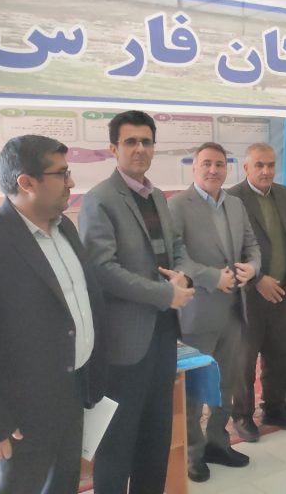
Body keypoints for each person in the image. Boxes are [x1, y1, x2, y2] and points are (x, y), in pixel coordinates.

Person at [0, 135, 106, 494]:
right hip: (17, 417)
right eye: (61, 174)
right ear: (27, 182)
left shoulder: (65, 229)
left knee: (63, 486)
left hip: (71, 396)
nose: (71, 182)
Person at [79, 110, 197, 494]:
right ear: (113, 148)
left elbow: (175, 248)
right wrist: (165, 293)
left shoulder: (157, 196)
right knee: (117, 443)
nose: (139, 149)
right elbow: (102, 270)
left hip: (163, 335)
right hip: (125, 344)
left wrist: (183, 276)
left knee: (156, 436)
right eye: (130, 141)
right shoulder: (100, 200)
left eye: (146, 141)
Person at [168, 142, 260, 482]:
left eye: (219, 164)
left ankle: (218, 443)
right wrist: (211, 277)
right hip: (197, 314)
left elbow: (252, 245)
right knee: (193, 391)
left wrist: (253, 267)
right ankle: (193, 454)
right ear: (194, 168)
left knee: (227, 383)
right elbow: (176, 256)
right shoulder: (178, 205)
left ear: (227, 169)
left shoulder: (235, 204)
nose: (213, 170)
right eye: (206, 163)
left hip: (235, 311)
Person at [228, 142, 286, 441]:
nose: (266, 171)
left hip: (282, 293)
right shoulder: (232, 199)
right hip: (247, 296)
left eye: (271, 165)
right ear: (246, 167)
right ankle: (242, 415)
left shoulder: (284, 195)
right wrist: (257, 279)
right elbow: (229, 249)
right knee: (245, 361)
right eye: (259, 165)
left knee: (280, 354)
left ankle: (274, 409)